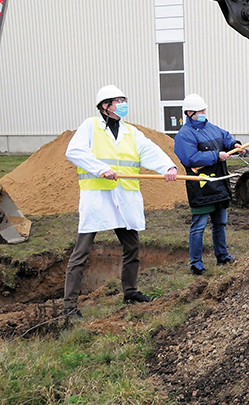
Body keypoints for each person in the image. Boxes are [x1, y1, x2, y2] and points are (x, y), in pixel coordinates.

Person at [63, 85, 178, 318]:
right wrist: (100, 168)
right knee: (82, 252)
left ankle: (130, 292)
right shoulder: (90, 126)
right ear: (104, 106)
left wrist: (168, 166)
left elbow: (149, 150)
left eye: (123, 100)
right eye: (117, 101)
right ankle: (69, 307)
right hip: (98, 198)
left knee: (132, 246)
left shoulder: (130, 132)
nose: (122, 104)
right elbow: (74, 151)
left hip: (123, 198)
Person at [173, 94, 245, 276]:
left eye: (205, 110)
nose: (204, 113)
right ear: (190, 113)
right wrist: (216, 156)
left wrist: (235, 144)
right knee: (199, 226)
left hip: (219, 183)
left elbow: (225, 138)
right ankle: (196, 263)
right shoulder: (183, 135)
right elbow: (190, 159)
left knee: (220, 223)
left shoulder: (211, 128)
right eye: (201, 111)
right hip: (202, 186)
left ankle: (223, 256)